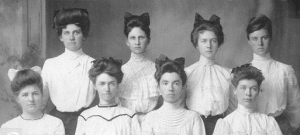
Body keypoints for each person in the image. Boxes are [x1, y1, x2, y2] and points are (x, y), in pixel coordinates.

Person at [41, 8, 96, 135]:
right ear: (61, 37)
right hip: (56, 122)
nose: (71, 37)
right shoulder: (50, 64)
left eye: (76, 32)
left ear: (84, 35)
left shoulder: (93, 64)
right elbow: (42, 102)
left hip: (86, 122)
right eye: (66, 33)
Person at [246, 14, 300, 134]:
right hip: (252, 127)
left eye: (264, 37)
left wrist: (288, 128)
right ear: (248, 41)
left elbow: (295, 106)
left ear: (270, 38)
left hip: (280, 127)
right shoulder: (243, 72)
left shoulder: (285, 71)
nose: (260, 43)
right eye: (255, 38)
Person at [185, 13, 233, 135]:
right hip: (193, 126)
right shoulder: (187, 73)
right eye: (204, 41)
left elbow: (233, 108)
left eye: (213, 41)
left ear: (219, 44)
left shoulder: (228, 74)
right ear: (196, 44)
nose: (209, 45)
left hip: (220, 126)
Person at [142, 55, 206, 135]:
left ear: (182, 87)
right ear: (158, 87)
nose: (170, 88)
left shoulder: (193, 118)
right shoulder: (150, 118)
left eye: (176, 83)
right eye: (165, 83)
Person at [75, 57, 141, 135]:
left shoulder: (130, 116)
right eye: (102, 84)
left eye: (111, 83)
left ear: (117, 85)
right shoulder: (86, 117)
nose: (107, 89)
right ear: (95, 86)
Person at [213, 64, 282, 135]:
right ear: (235, 90)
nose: (248, 93)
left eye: (253, 89)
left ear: (258, 91)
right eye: (243, 88)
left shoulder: (267, 122)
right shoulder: (227, 123)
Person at [118, 12, 160, 123]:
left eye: (141, 37)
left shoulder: (157, 69)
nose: (137, 42)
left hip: (152, 123)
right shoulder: (121, 71)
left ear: (148, 40)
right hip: (127, 124)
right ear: (127, 41)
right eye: (132, 38)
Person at [1, 67, 65, 135]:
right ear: (17, 99)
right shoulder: (9, 127)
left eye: (35, 94)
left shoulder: (55, 124)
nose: (31, 99)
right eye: (25, 95)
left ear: (42, 95)